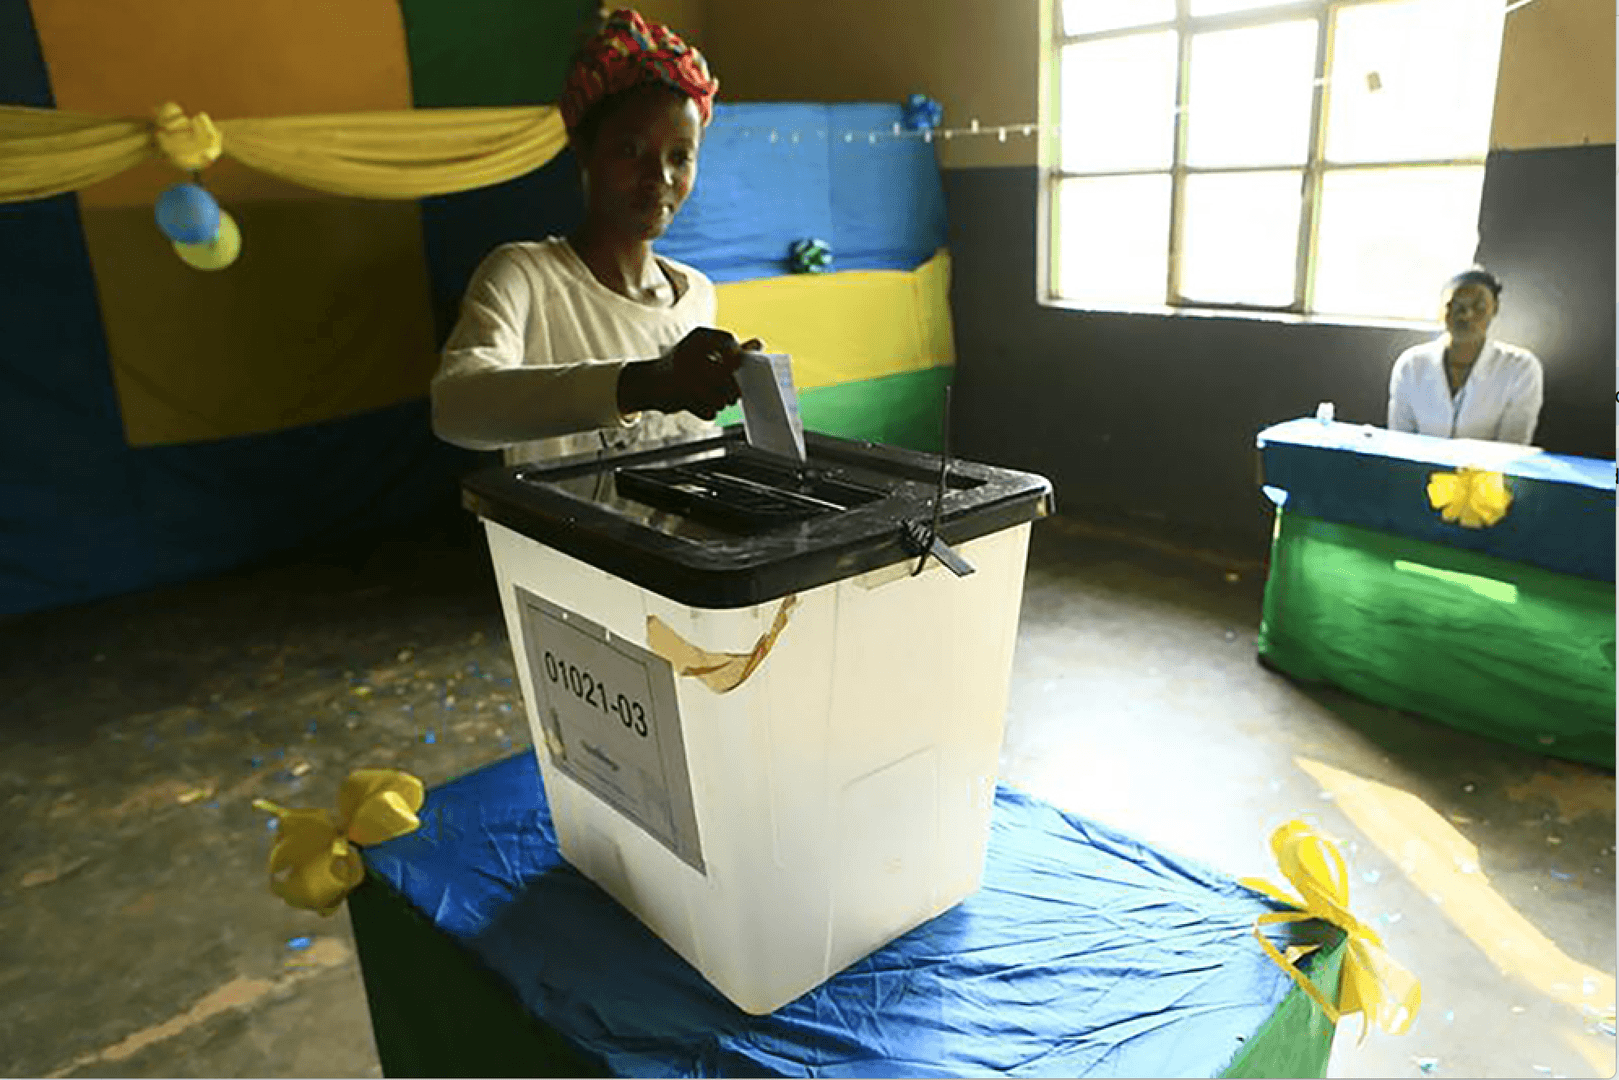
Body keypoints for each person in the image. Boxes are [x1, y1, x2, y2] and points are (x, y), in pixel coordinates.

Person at [431, 8, 759, 467]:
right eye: (631, 150)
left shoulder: (697, 294)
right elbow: (455, 409)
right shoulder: (525, 276)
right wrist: (645, 384)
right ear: (584, 148)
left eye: (681, 156)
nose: (659, 177)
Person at [1386, 267, 1544, 445]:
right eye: (1456, 305)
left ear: (1495, 308)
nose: (1466, 315)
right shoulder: (1411, 365)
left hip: (1487, 472)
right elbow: (1399, 441)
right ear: (1441, 310)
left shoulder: (1520, 368)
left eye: (1479, 306)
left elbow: (1512, 448)